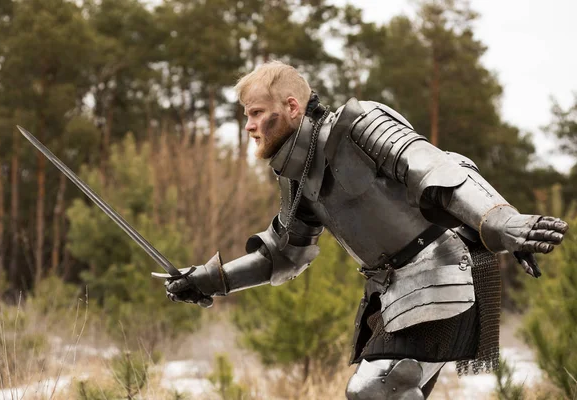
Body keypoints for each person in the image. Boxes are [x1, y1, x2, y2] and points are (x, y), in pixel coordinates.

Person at [164, 61, 568, 399]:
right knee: (381, 391)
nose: (248, 125)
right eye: (246, 115)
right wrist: (210, 279)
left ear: (290, 106)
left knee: (373, 391)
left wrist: (501, 221)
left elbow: (437, 168)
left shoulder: (359, 126)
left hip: (443, 272)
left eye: (255, 113)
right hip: (391, 292)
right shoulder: (296, 175)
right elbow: (285, 255)